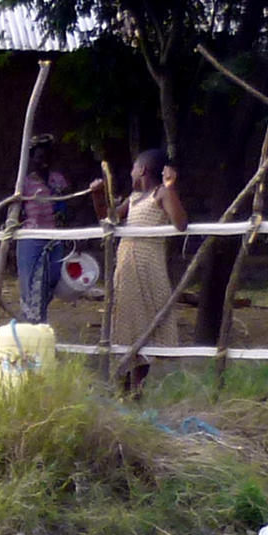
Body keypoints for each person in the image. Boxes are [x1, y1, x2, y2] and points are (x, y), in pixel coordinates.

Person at [107, 149, 187, 391]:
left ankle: (137, 386)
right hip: (126, 266)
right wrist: (98, 195)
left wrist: (170, 187)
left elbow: (181, 224)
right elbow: (109, 218)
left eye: (134, 167)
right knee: (125, 322)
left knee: (146, 323)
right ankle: (123, 386)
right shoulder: (132, 200)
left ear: (142, 170)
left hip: (147, 265)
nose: (131, 172)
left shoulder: (160, 194)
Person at [11, 146, 76, 324]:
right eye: (40, 157)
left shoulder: (57, 180)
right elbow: (15, 210)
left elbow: (65, 207)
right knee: (31, 281)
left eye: (47, 156)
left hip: (54, 236)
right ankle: (30, 322)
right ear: (32, 160)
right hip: (31, 238)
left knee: (52, 278)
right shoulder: (24, 183)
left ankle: (40, 316)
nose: (44, 161)